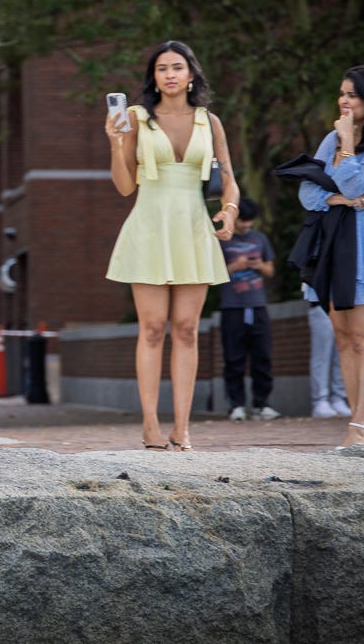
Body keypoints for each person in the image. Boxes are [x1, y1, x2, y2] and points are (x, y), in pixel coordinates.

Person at [104, 40, 239, 452]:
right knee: (152, 329)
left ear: (191, 74)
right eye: (162, 68)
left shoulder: (209, 122)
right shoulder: (136, 118)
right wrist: (114, 142)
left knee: (186, 330)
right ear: (155, 76)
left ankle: (182, 428)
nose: (170, 74)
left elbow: (228, 177)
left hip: (193, 227)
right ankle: (149, 425)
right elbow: (125, 186)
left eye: (177, 67)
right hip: (149, 225)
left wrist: (230, 209)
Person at [298, 65, 364, 447]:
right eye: (342, 93)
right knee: (341, 336)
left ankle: (360, 422)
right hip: (329, 245)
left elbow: (362, 185)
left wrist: (347, 149)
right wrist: (338, 199)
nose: (343, 100)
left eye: (352, 94)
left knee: (362, 336)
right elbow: (308, 194)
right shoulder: (332, 138)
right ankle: (362, 424)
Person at [218, 198, 280, 421]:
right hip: (232, 307)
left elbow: (271, 270)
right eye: (243, 221)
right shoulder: (222, 240)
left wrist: (258, 265)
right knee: (234, 357)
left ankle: (262, 404)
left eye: (250, 222)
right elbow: (214, 275)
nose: (246, 226)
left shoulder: (260, 239)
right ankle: (236, 405)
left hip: (258, 305)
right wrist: (234, 267)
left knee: (262, 356)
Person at [306, 284, 350, 418]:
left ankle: (338, 398)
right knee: (322, 355)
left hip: (343, 303)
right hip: (320, 302)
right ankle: (320, 400)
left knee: (342, 353)